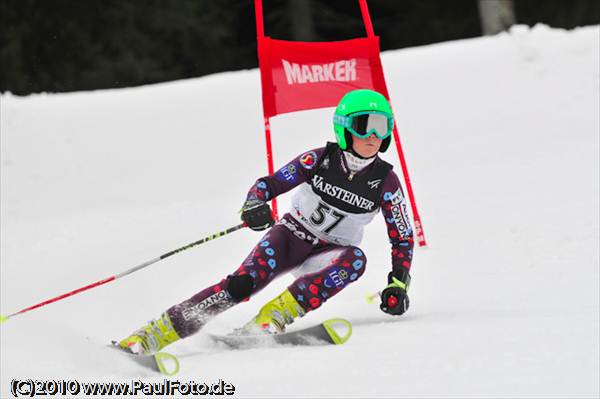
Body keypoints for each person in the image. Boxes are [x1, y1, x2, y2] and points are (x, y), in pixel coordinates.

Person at [118, 89, 415, 355]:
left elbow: (402, 236)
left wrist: (399, 283)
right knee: (240, 285)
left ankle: (272, 317)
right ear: (345, 128)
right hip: (290, 237)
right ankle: (152, 335)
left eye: (382, 125)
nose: (374, 135)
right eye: (365, 125)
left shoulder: (386, 183)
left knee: (356, 261)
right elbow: (268, 184)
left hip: (329, 255)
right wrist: (254, 204)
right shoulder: (318, 160)